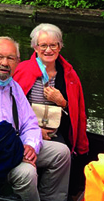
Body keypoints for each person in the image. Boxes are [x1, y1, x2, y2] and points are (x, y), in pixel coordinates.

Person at [0, 36, 71, 201]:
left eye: (10, 58)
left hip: (14, 146)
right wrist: (15, 147)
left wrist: (30, 145)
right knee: (27, 172)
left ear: (17, 62)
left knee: (61, 153)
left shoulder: (13, 87)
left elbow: (30, 123)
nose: (5, 62)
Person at [13, 24, 89, 156]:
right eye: (43, 45)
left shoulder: (69, 76)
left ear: (59, 47)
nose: (48, 50)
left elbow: (79, 113)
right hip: (24, 130)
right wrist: (34, 130)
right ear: (35, 47)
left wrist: (62, 102)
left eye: (53, 45)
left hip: (56, 132)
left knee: (65, 156)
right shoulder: (21, 70)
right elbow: (9, 108)